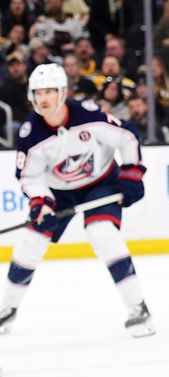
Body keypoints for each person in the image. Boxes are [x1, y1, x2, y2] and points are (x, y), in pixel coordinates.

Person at [0, 64, 155, 338]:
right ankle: (7, 310)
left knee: (103, 234)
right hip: (58, 192)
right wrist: (41, 202)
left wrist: (131, 173)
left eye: (49, 91)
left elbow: (127, 135)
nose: (43, 98)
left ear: (62, 92)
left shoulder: (89, 115)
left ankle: (138, 308)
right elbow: (29, 177)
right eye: (38, 92)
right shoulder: (30, 134)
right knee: (29, 242)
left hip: (100, 183)